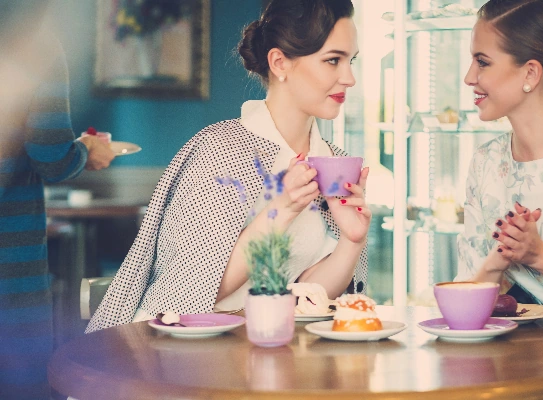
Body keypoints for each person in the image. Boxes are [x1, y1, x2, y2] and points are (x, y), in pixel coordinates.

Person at [86, 0, 370, 333]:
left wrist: (352, 241)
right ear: (280, 62)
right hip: (179, 347)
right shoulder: (221, 151)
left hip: (269, 345)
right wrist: (281, 211)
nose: (349, 78)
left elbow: (308, 295)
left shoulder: (332, 160)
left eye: (350, 61)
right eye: (333, 60)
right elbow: (191, 294)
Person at [456, 0, 543, 327]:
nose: (468, 77)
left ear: (530, 73)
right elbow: (466, 303)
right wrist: (495, 263)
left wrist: (538, 254)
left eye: (482, 62)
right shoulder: (486, 162)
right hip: (509, 364)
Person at [0, 2, 115, 398]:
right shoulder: (35, 42)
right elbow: (50, 156)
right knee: (21, 380)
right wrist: (87, 150)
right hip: (8, 264)